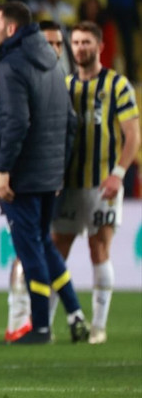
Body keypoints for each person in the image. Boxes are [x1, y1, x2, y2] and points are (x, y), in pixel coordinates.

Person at [0, 1, 89, 344]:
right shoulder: (54, 65)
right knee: (44, 244)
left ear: (11, 28)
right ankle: (74, 312)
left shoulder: (10, 67)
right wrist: (57, 169)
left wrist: (3, 170)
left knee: (30, 250)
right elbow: (70, 123)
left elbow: (15, 123)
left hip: (23, 176)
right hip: (48, 175)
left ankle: (42, 327)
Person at [49, 21, 139, 344]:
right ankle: (44, 324)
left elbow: (133, 136)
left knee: (98, 248)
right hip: (69, 185)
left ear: (100, 46)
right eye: (75, 42)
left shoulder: (117, 85)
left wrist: (118, 173)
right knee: (56, 251)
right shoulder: (65, 85)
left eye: (86, 42)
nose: (80, 48)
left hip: (103, 184)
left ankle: (98, 326)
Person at [4, 20, 65, 342]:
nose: (54, 50)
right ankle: (20, 318)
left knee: (38, 248)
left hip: (46, 179)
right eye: (49, 43)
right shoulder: (31, 76)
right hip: (22, 178)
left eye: (59, 44)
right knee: (30, 250)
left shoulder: (52, 79)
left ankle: (41, 322)